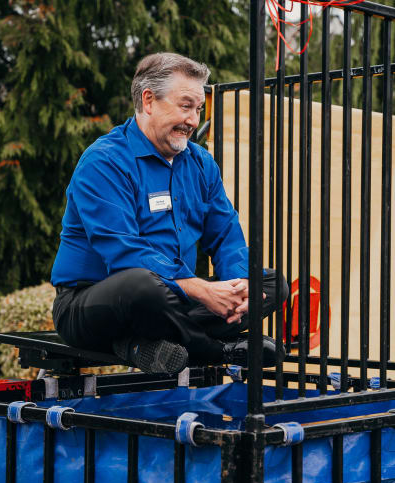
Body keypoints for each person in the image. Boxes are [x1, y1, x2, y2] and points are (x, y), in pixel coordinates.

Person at [51, 52, 288, 374]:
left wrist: (238, 284)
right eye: (185, 106)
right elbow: (124, 252)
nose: (193, 120)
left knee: (272, 283)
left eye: (198, 109)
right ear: (148, 101)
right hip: (94, 302)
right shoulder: (103, 162)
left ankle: (136, 343)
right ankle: (216, 351)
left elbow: (226, 234)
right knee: (141, 285)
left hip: (170, 298)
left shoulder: (201, 163)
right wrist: (201, 289)